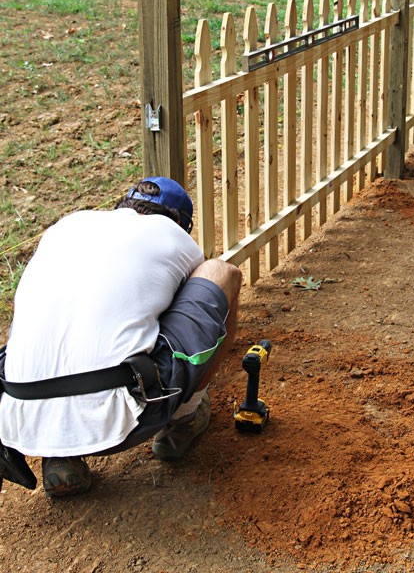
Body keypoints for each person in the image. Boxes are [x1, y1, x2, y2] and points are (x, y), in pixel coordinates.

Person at [0, 177, 242, 497]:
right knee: (222, 274)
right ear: (181, 223)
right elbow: (186, 311)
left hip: (17, 415)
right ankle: (184, 421)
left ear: (122, 206)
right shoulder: (175, 239)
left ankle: (60, 455)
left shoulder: (68, 226)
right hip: (123, 420)